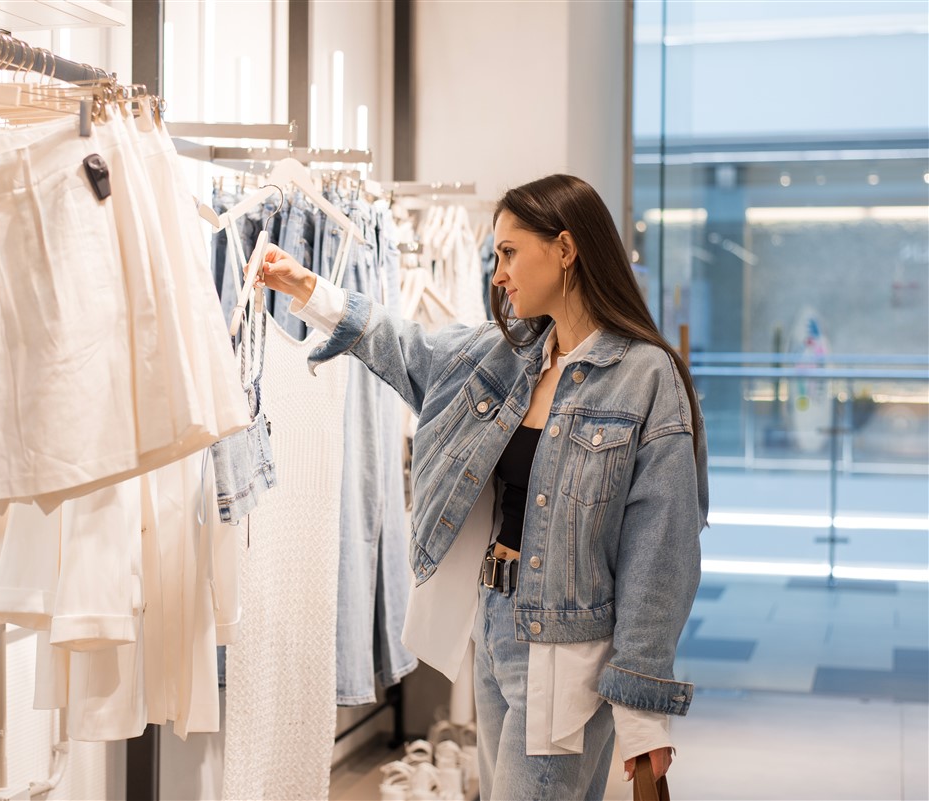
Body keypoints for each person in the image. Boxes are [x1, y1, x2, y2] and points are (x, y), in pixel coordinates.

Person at [256, 173, 707, 800]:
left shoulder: (643, 376)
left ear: (567, 249)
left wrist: (642, 702)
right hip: (493, 629)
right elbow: (410, 348)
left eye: (508, 252)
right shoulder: (510, 355)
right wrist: (310, 291)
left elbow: (662, 550)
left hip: (565, 649)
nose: (497, 273)